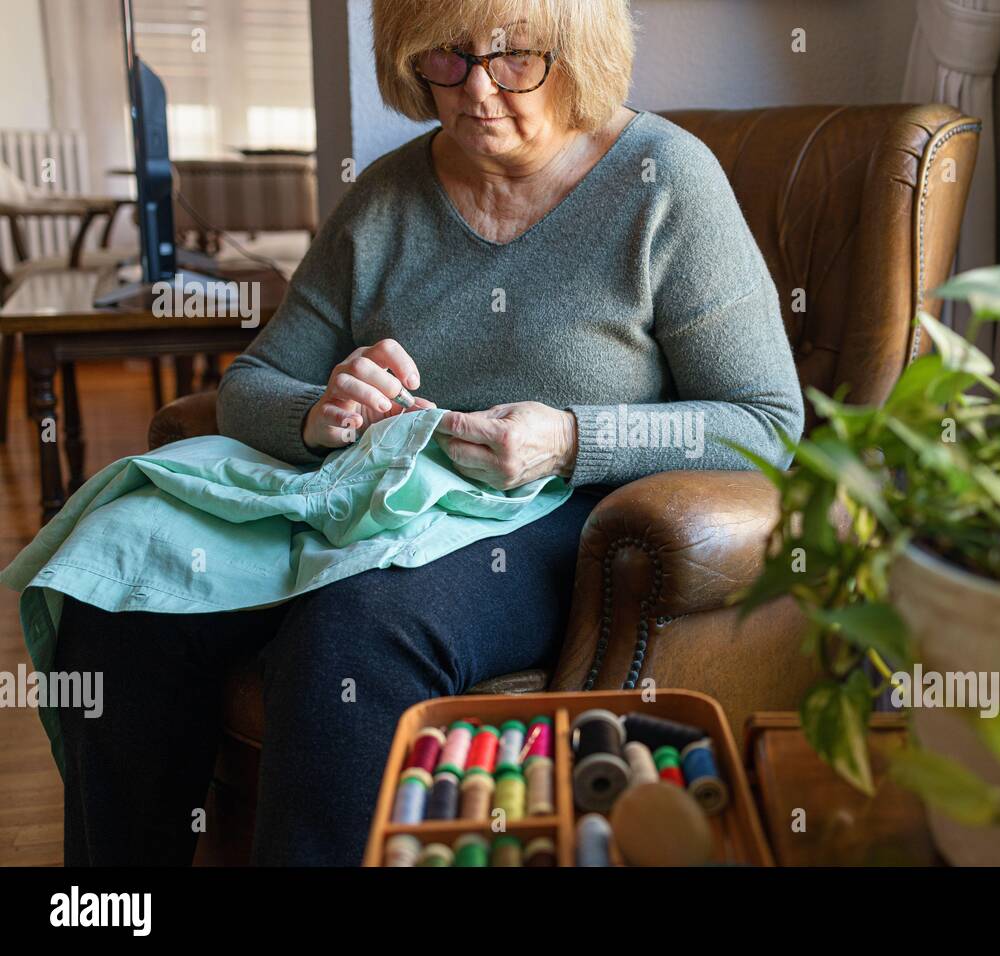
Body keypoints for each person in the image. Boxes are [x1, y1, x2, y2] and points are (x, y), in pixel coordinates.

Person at [55, 0, 802, 865]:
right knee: (121, 592)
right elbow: (250, 384)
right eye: (446, 58)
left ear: (578, 50)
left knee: (355, 628)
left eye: (515, 58)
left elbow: (765, 424)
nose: (477, 90)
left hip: (561, 513)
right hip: (373, 496)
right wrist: (319, 413)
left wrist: (570, 437)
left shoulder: (666, 180)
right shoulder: (386, 196)